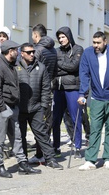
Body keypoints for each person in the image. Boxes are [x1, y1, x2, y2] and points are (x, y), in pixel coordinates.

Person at [0, 40, 41, 178]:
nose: (18, 52)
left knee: (17, 136)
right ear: (9, 51)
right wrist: (1, 108)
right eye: (15, 50)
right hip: (1, 107)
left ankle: (22, 163)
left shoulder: (11, 65)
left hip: (12, 106)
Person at [17, 43, 63, 170]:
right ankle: (23, 160)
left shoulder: (41, 67)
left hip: (36, 107)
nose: (32, 54)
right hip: (20, 109)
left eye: (33, 51)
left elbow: (46, 87)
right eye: (29, 52)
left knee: (42, 135)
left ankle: (50, 159)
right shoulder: (15, 67)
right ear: (22, 53)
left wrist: (43, 106)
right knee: (21, 136)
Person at [78, 31, 109, 170]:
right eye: (94, 42)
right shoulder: (88, 53)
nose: (95, 45)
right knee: (95, 128)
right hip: (96, 97)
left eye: (98, 43)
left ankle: (108, 158)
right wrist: (82, 94)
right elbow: (84, 74)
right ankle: (90, 160)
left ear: (105, 42)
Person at [52, 26, 84, 159]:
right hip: (58, 89)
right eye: (59, 37)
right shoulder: (56, 51)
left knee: (75, 118)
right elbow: (55, 69)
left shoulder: (78, 49)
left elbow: (74, 66)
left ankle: (77, 146)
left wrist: (60, 64)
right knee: (56, 120)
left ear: (69, 36)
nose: (61, 39)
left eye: (63, 37)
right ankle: (56, 147)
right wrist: (64, 67)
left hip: (72, 88)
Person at [29, 23, 58, 163]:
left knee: (38, 123)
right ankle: (44, 153)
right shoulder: (53, 50)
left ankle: (41, 155)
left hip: (39, 90)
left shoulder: (38, 50)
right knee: (47, 123)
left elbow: (34, 70)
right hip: (50, 89)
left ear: (36, 35)